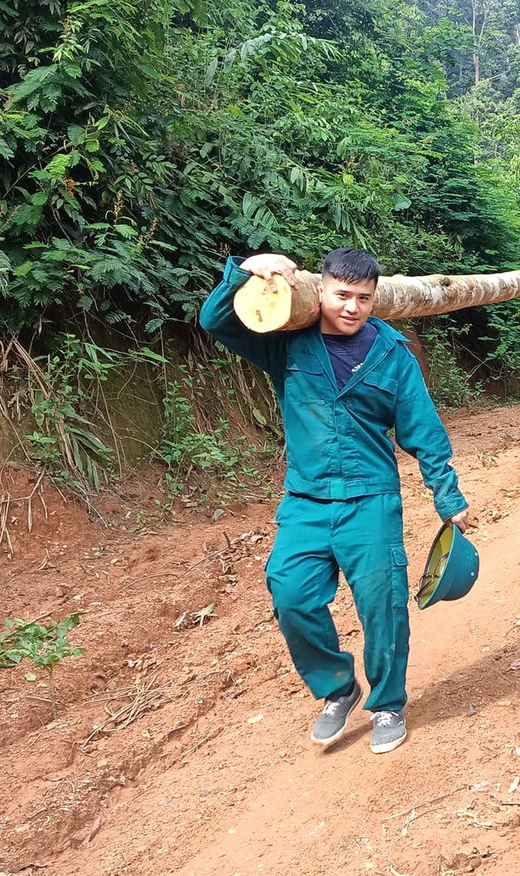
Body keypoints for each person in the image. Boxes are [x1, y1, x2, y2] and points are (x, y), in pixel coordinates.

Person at [200, 248, 472, 755]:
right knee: (290, 594)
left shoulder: (392, 355)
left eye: (363, 299)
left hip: (370, 498)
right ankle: (337, 687)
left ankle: (388, 702)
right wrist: (249, 268)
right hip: (305, 499)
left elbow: (424, 429)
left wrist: (446, 491)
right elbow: (216, 320)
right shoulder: (288, 345)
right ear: (319, 291)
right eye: (342, 295)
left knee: (382, 605)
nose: (352, 307)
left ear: (375, 300)